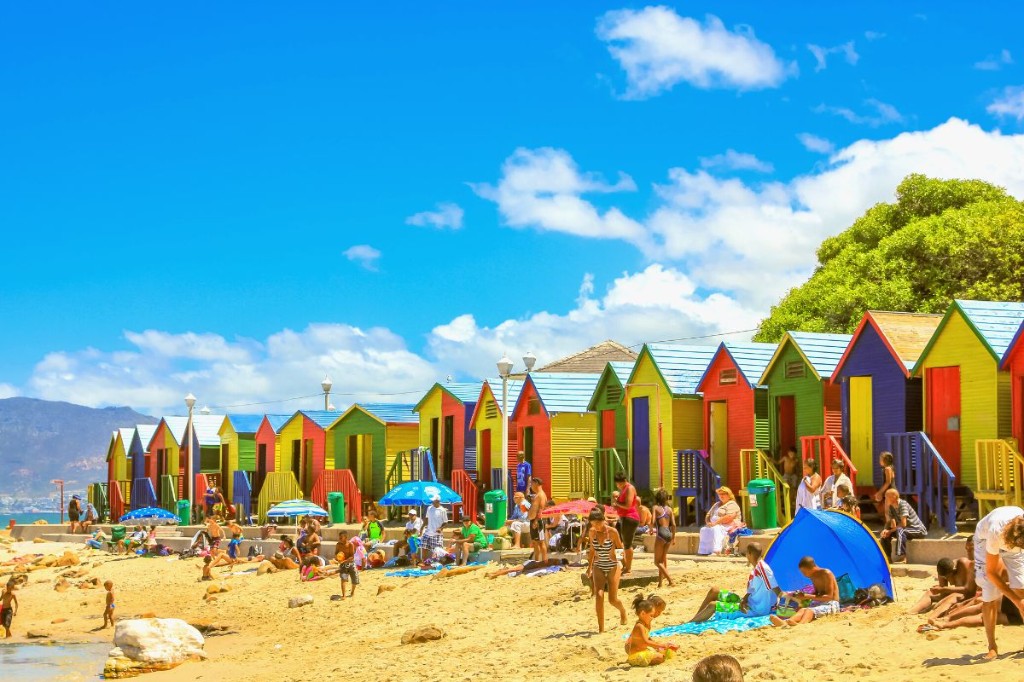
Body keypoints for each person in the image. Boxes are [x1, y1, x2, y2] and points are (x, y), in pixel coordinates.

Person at [973, 505, 1024, 659]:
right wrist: (1016, 601)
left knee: (1022, 590)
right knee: (990, 594)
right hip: (985, 541)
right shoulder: (995, 532)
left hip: (1014, 538)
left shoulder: (1021, 530)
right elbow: (992, 573)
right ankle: (992, 646)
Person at [690, 542, 781, 622]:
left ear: (749, 554)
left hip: (754, 609)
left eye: (746, 553)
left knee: (713, 605)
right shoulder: (756, 568)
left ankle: (689, 624)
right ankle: (695, 618)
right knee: (714, 591)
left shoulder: (763, 569)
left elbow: (775, 588)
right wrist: (744, 599)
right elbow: (752, 591)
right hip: (748, 602)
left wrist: (782, 603)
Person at [586, 507, 627, 633]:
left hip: (613, 565)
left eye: (598, 523)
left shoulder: (612, 532)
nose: (596, 526)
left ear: (603, 520)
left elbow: (620, 548)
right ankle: (601, 629)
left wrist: (624, 564)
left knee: (612, 599)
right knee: (599, 595)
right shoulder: (592, 532)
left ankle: (622, 611)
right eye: (593, 524)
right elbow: (592, 550)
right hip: (598, 565)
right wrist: (589, 567)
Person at [769, 556, 839, 627]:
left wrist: (807, 596)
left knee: (809, 611)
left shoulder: (826, 573)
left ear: (811, 568)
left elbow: (829, 597)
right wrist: (803, 598)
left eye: (804, 572)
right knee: (802, 610)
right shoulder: (813, 577)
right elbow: (816, 594)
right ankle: (786, 622)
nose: (804, 575)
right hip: (820, 603)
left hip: (831, 604)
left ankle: (801, 625)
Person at [910, 541, 977, 615]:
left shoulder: (964, 564)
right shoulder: (942, 570)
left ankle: (934, 616)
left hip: (967, 594)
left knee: (951, 598)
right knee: (930, 593)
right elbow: (943, 592)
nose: (948, 580)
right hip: (958, 593)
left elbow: (968, 591)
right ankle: (910, 612)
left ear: (954, 571)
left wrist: (944, 590)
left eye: (948, 577)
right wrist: (940, 591)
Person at [624, 594, 678, 667]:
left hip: (641, 648)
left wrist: (658, 645)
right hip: (630, 647)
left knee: (660, 652)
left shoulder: (646, 622)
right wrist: (660, 645)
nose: (658, 614)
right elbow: (645, 641)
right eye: (658, 611)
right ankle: (635, 661)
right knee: (660, 657)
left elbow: (647, 638)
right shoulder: (640, 625)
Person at [879, 488, 927, 563]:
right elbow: (892, 525)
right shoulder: (891, 507)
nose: (885, 499)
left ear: (894, 497)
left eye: (887, 497)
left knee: (900, 531)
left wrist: (890, 531)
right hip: (904, 530)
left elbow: (903, 524)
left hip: (917, 530)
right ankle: (887, 558)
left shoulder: (902, 504)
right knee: (885, 535)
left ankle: (903, 557)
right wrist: (886, 531)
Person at [698, 487, 741, 556]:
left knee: (716, 529)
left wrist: (716, 523)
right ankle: (704, 551)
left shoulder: (732, 504)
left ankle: (717, 550)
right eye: (719, 494)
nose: (721, 496)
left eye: (723, 494)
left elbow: (729, 517)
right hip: (715, 524)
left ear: (729, 495)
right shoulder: (717, 504)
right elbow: (708, 515)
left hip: (728, 525)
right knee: (704, 529)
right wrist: (708, 522)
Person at [612, 471, 640, 574]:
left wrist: (617, 503)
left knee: (627, 544)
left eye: (619, 483)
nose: (618, 485)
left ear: (624, 481)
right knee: (617, 541)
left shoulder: (629, 488)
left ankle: (628, 567)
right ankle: (624, 564)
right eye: (617, 483)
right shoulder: (624, 489)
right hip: (623, 517)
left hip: (630, 517)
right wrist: (617, 505)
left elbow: (628, 505)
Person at [652, 488, 675, 588]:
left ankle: (670, 580)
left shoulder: (655, 508)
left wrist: (650, 529)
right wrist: (673, 537)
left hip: (661, 534)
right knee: (662, 560)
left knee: (657, 562)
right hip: (669, 534)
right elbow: (674, 525)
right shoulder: (669, 509)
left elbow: (653, 521)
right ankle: (660, 583)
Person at [528, 477, 548, 563]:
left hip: (538, 520)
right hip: (534, 520)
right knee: (535, 542)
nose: (531, 486)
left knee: (541, 542)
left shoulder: (541, 495)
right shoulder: (537, 495)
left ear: (536, 483)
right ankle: (536, 561)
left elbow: (541, 508)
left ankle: (544, 562)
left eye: (532, 483)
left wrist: (536, 520)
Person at [422, 495, 448, 561]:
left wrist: (440, 528)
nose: (432, 502)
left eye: (434, 501)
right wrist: (422, 527)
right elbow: (426, 518)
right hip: (427, 532)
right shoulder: (429, 508)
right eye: (432, 501)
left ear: (438, 501)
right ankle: (424, 561)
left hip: (437, 534)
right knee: (424, 547)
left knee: (437, 550)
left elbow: (446, 522)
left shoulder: (442, 510)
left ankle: (437, 562)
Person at [485, 558, 568, 578]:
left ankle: (495, 573)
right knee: (514, 570)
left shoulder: (553, 564)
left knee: (514, 570)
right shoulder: (553, 562)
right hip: (530, 564)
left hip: (530, 566)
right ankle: (494, 574)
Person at [335, 530, 359, 599]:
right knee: (343, 579)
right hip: (343, 564)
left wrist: (344, 561)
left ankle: (352, 592)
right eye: (339, 537)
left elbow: (352, 556)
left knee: (355, 580)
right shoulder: (338, 545)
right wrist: (337, 558)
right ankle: (344, 595)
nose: (339, 539)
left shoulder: (350, 545)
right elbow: (336, 553)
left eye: (341, 537)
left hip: (351, 564)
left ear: (345, 537)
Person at [873, 451, 896, 516]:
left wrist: (880, 492)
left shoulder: (887, 469)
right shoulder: (891, 468)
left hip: (890, 491)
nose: (879, 461)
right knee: (891, 512)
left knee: (888, 513)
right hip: (892, 490)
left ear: (885, 460)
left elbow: (888, 482)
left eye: (880, 459)